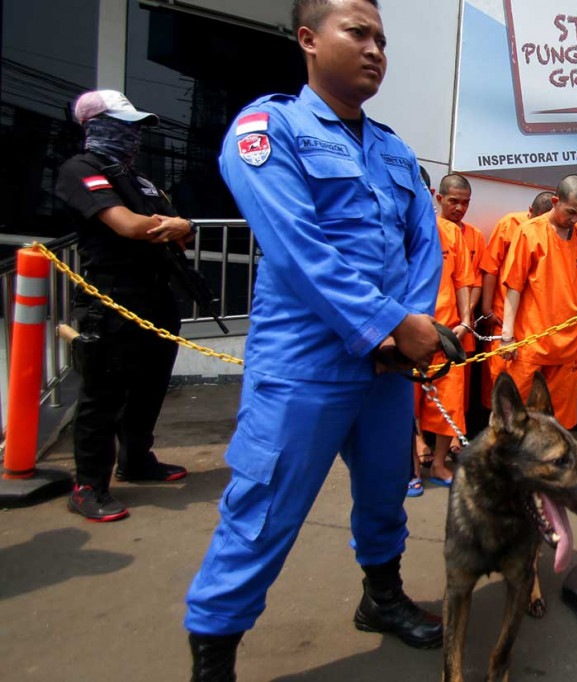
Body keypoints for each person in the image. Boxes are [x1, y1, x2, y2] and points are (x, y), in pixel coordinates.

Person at [184, 1, 445, 676]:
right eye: (358, 32)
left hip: (385, 373)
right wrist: (390, 327)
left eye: (382, 39)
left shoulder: (392, 148)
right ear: (308, 38)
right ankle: (214, 653)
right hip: (305, 368)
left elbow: (425, 246)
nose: (375, 49)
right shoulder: (270, 129)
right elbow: (297, 249)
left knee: (388, 491)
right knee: (262, 511)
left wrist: (409, 332)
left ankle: (382, 598)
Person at [55, 90, 190, 522]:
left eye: (134, 128)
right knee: (103, 394)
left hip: (156, 294)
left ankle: (136, 461)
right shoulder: (81, 170)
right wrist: (170, 226)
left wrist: (177, 226)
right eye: (123, 126)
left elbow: (180, 229)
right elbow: (129, 226)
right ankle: (88, 485)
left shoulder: (140, 179)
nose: (132, 136)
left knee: (150, 386)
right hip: (111, 298)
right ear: (95, 126)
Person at [500, 175, 577, 429]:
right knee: (516, 417)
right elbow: (514, 286)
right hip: (531, 343)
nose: (576, 219)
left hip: (569, 346)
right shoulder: (529, 232)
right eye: (571, 211)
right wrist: (507, 335)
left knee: (557, 420)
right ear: (555, 201)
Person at [478, 191, 554, 408]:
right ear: (530, 212)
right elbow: (490, 268)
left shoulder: (556, 231)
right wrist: (487, 309)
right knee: (498, 376)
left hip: (533, 320)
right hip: (502, 316)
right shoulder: (509, 224)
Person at [413, 216, 473, 486]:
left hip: (446, 334)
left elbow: (462, 279)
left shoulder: (449, 232)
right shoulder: (397, 228)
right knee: (405, 405)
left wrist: (465, 320)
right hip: (408, 333)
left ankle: (438, 465)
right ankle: (411, 469)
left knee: (450, 402)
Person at [435, 174, 484, 426]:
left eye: (465, 203)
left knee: (457, 385)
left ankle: (455, 433)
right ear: (439, 198)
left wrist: (465, 317)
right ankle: (421, 442)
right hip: (433, 322)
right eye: (454, 201)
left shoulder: (475, 235)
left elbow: (473, 281)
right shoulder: (428, 230)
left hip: (461, 324)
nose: (460, 208)